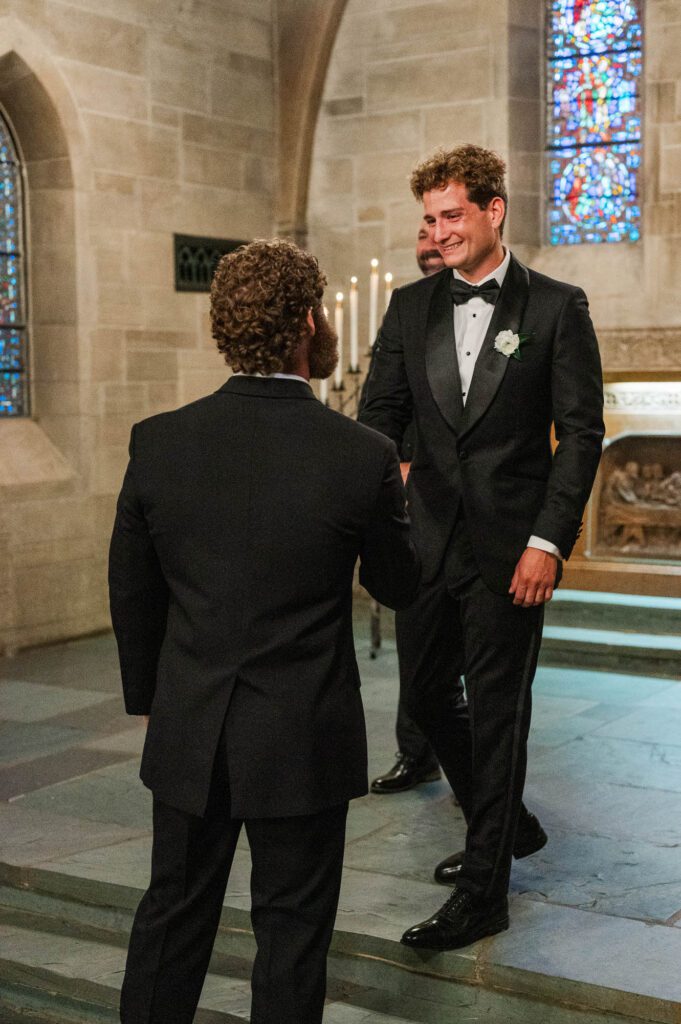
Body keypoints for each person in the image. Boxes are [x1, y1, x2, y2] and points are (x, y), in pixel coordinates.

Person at [109, 238, 420, 1024]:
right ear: (308, 323)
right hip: (302, 734)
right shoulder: (362, 454)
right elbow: (397, 584)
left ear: (225, 328)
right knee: (290, 935)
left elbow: (133, 588)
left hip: (191, 726)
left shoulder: (159, 441)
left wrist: (154, 697)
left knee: (172, 918)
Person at [360, 144, 604, 950]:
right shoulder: (407, 309)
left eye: (452, 214)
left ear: (493, 211)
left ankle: (484, 885)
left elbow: (579, 434)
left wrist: (548, 540)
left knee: (498, 715)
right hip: (423, 542)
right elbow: (378, 418)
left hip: (512, 551)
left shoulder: (556, 307)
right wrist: (386, 491)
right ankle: (509, 824)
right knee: (430, 700)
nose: (439, 230)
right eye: (429, 219)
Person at [370, 222, 445, 794]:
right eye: (422, 233)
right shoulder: (405, 311)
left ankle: (490, 800)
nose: (429, 243)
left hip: (480, 511)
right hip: (418, 505)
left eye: (442, 227)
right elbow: (381, 409)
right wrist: (389, 467)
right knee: (416, 645)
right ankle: (415, 751)